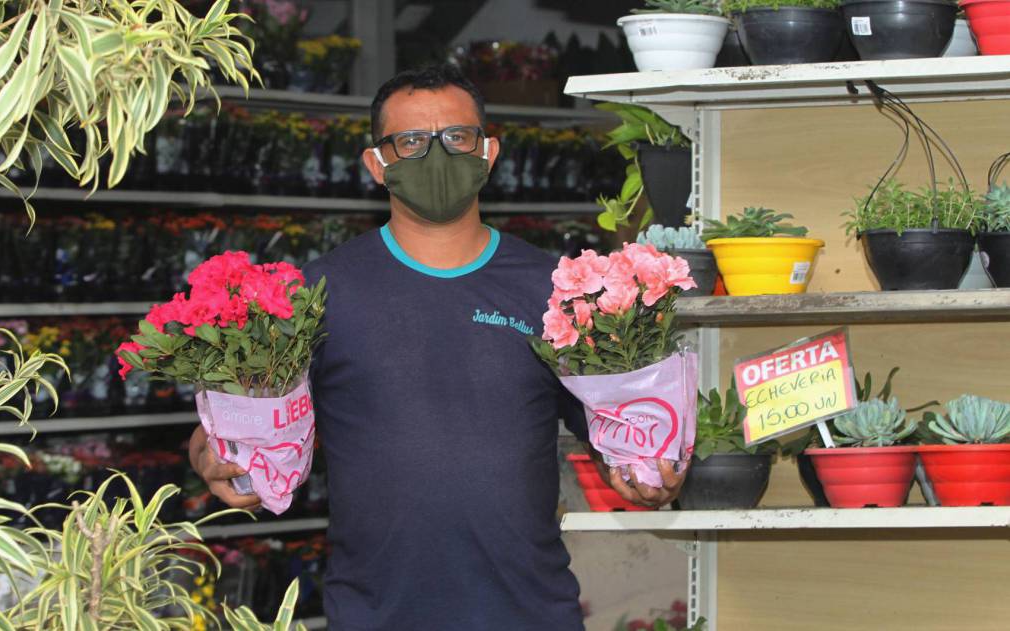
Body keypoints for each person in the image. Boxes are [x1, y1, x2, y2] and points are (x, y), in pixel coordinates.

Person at [188, 63, 688, 630]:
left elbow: (616, 420)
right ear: (377, 164)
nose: (436, 155)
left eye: (457, 137)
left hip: (529, 613)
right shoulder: (319, 294)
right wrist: (214, 454)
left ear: (489, 152)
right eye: (410, 142)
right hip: (376, 614)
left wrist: (649, 470)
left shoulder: (557, 288)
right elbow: (242, 417)